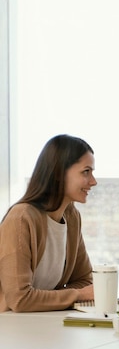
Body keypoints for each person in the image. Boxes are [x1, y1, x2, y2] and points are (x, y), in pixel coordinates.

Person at [0, 134, 96, 312]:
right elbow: (19, 299)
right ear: (60, 173)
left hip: (46, 323)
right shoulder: (21, 218)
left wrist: (48, 298)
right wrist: (77, 295)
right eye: (86, 172)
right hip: (9, 328)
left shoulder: (72, 217)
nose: (93, 181)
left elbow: (85, 280)